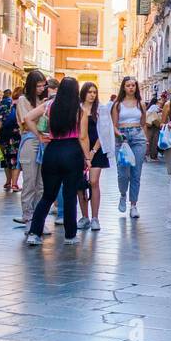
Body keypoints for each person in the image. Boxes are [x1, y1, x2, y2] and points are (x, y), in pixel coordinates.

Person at [25, 77, 90, 246]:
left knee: (48, 195)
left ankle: (34, 232)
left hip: (52, 151)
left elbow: (28, 118)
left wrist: (39, 136)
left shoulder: (49, 105)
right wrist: (88, 158)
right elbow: (83, 137)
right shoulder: (80, 110)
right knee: (69, 195)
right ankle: (70, 235)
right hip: (72, 151)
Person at [14, 70, 48, 229]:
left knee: (41, 183)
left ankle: (38, 218)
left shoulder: (43, 100)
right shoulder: (22, 100)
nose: (41, 88)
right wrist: (42, 108)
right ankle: (28, 216)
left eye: (43, 85)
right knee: (29, 181)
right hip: (30, 141)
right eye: (39, 86)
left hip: (44, 142)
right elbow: (26, 121)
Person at [112, 76, 149, 218]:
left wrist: (145, 140)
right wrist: (119, 135)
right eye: (128, 85)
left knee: (136, 173)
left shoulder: (141, 104)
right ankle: (122, 194)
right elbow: (114, 125)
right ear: (123, 87)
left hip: (138, 137)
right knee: (123, 173)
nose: (131, 87)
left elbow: (143, 123)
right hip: (122, 138)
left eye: (133, 85)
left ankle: (133, 205)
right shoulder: (118, 104)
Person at [76, 81, 108, 230]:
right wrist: (85, 152)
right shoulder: (78, 110)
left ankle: (95, 217)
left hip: (97, 149)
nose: (92, 95)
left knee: (94, 182)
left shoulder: (101, 110)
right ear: (83, 93)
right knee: (81, 184)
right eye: (89, 92)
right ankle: (84, 217)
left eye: (94, 92)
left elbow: (104, 132)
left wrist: (93, 151)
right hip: (80, 149)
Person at [0, 87, 23, 194]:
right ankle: (15, 183)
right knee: (15, 160)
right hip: (17, 137)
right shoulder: (22, 107)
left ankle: (8, 181)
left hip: (4, 137)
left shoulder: (5, 107)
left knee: (6, 160)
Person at [146, 91, 164, 161]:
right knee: (153, 140)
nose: (161, 101)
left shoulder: (153, 107)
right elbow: (157, 111)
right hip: (153, 125)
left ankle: (151, 155)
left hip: (153, 125)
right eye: (160, 100)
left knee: (153, 140)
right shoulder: (154, 106)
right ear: (157, 101)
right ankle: (152, 155)